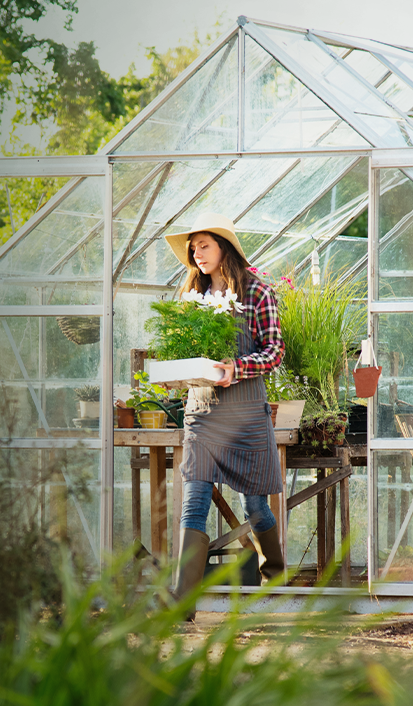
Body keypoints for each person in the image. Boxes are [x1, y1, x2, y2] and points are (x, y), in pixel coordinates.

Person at [161, 213, 287, 613]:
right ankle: (182, 602)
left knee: (255, 507)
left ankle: (275, 571)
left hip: (246, 414)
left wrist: (237, 368)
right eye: (192, 247)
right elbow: (181, 353)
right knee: (194, 499)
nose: (197, 254)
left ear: (224, 247)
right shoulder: (190, 298)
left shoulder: (256, 293)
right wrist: (174, 374)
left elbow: (274, 351)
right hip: (201, 412)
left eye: (204, 245)